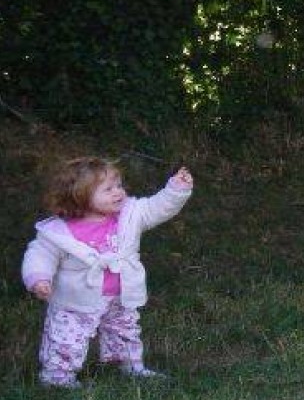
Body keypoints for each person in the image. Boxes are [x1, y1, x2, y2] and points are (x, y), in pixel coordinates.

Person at [21, 157, 193, 388]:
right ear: (79, 195)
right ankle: (57, 377)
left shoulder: (130, 214)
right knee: (66, 339)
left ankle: (128, 366)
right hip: (76, 299)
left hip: (121, 294)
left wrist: (176, 189)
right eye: (108, 189)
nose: (118, 193)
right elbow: (40, 254)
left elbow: (157, 207)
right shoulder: (58, 231)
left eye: (119, 185)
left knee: (124, 331)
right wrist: (39, 278)